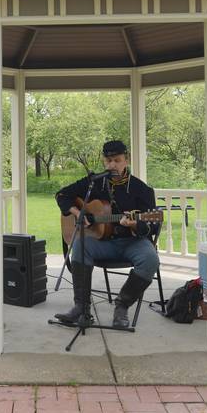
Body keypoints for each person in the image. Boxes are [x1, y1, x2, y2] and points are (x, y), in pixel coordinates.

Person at [54, 140, 160, 329]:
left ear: (126, 160)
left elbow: (151, 227)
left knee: (150, 258)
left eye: (117, 160)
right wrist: (79, 213)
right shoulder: (94, 183)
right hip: (102, 242)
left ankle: (122, 305)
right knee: (80, 245)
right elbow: (62, 195)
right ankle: (81, 308)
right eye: (108, 161)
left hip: (132, 242)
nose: (112, 165)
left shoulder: (142, 190)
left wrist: (135, 223)